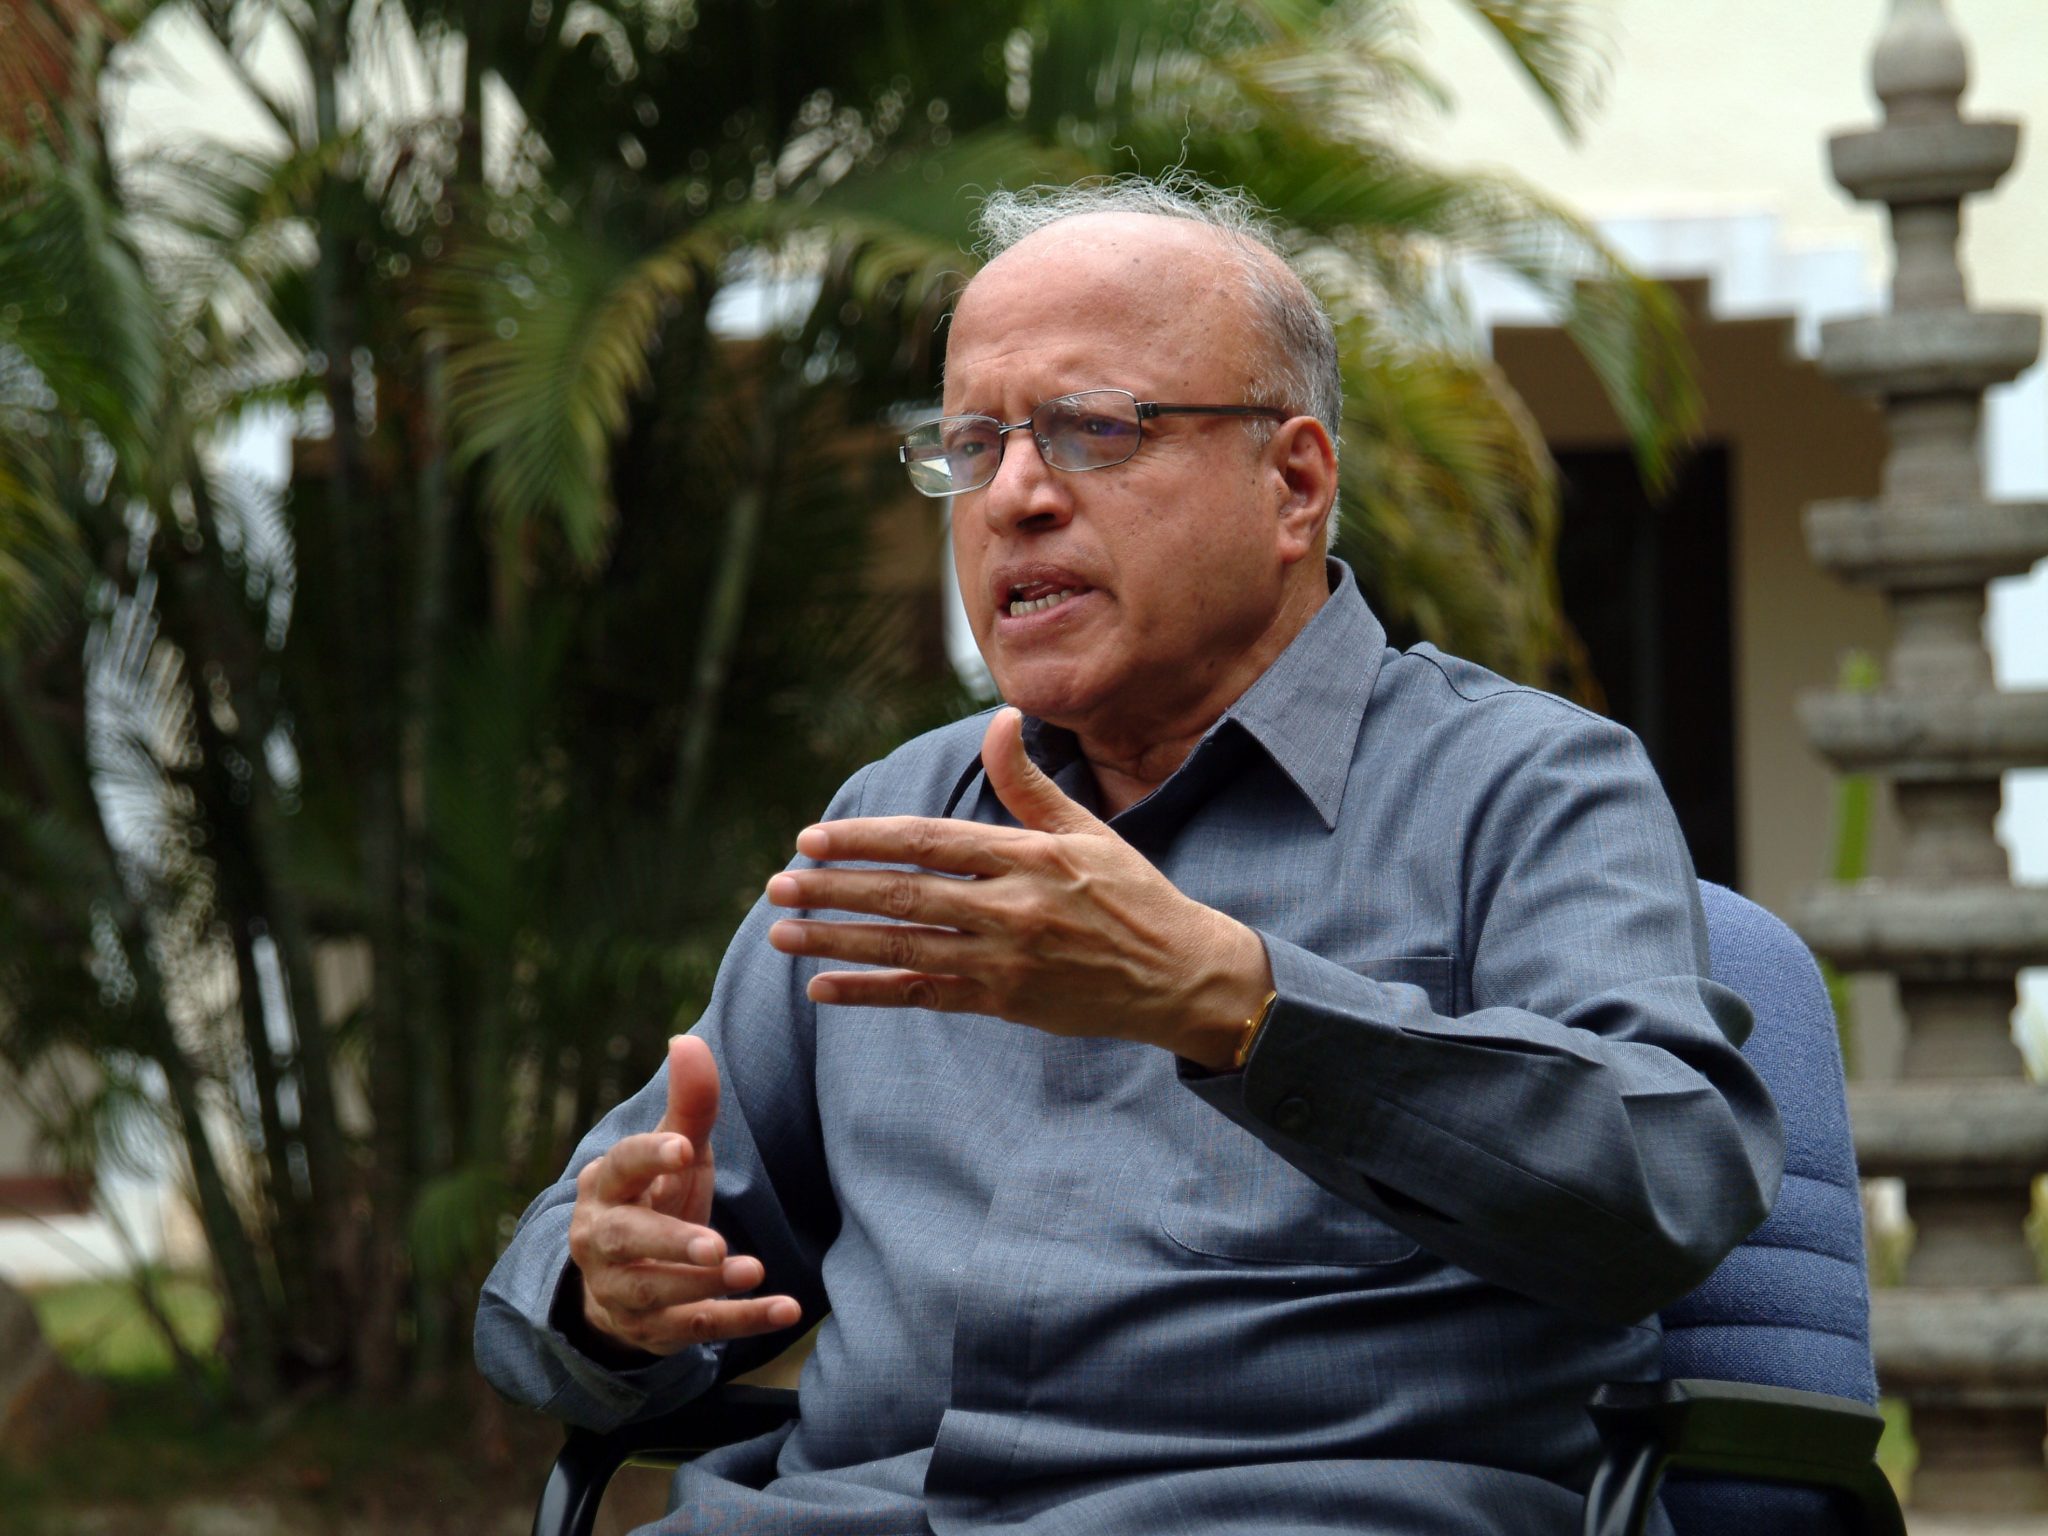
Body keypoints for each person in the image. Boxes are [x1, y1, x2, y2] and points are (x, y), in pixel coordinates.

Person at [476, 176, 1782, 1536]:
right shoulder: (905, 821)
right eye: (971, 445)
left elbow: (1669, 1180)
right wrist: (609, 1291)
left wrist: (1237, 1006)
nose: (1015, 498)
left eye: (1093, 430)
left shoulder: (1522, 785)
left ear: (1293, 483)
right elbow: (572, 1264)